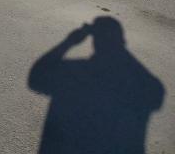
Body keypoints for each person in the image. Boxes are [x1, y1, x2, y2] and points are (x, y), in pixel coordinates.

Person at [28, 17, 165, 154]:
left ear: (94, 41)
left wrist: (69, 41)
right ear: (122, 41)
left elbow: (36, 77)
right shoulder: (151, 85)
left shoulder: (74, 71)